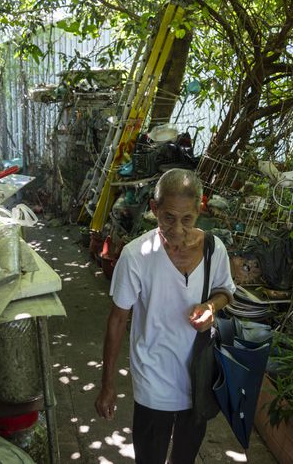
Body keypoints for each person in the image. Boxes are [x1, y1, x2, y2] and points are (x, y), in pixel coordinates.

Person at [94, 168, 236, 464]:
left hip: (197, 377)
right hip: (152, 378)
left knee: (185, 457)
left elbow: (225, 291)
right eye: (168, 217)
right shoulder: (136, 256)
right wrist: (107, 385)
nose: (178, 229)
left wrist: (211, 306)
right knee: (150, 457)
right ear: (153, 209)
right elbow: (117, 320)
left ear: (200, 209)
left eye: (188, 219)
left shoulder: (214, 249)